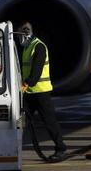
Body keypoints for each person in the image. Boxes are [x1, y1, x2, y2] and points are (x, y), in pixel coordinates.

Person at [16, 21, 67, 159]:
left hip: (41, 92)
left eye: (22, 30)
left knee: (49, 121)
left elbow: (36, 71)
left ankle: (61, 148)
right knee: (19, 121)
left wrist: (26, 84)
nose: (20, 34)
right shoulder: (27, 47)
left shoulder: (39, 47)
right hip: (29, 92)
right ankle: (12, 149)